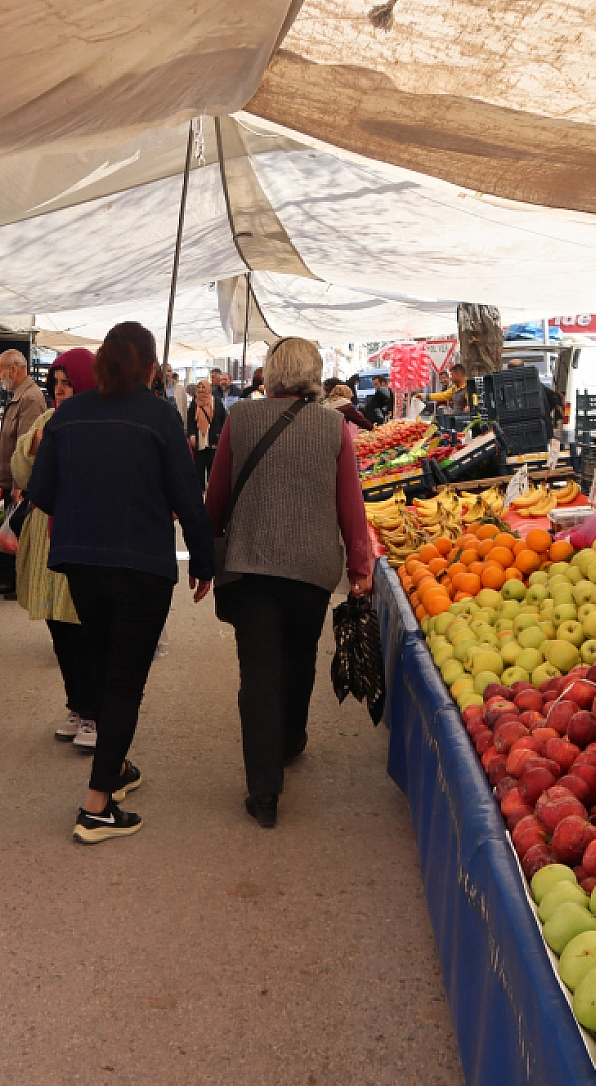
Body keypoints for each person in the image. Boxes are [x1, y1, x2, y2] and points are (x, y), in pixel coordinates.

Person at [29, 322, 216, 844]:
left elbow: (41, 490)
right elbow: (188, 494)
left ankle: (114, 769)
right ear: (151, 367)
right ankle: (95, 807)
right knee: (124, 680)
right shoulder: (159, 416)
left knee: (108, 662)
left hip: (81, 565)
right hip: (141, 567)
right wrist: (203, 559)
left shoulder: (67, 415)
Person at [206, 338, 373, 829]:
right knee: (298, 656)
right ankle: (289, 739)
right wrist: (359, 567)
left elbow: (216, 495)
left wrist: (202, 557)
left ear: (270, 372)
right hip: (312, 569)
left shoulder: (240, 417)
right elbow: (351, 503)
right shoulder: (334, 425)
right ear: (315, 374)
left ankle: (264, 793)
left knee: (258, 672)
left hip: (250, 565)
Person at [10, 349, 100, 749]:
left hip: (84, 536)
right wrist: (34, 449)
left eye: (69, 383)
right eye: (57, 384)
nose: (61, 391)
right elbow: (21, 472)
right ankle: (76, 705)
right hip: (48, 534)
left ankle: (95, 712)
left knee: (84, 628)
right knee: (59, 628)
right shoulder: (47, 421)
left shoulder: (100, 422)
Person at [0, 348, 47, 600]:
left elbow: (26, 445)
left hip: (20, 481)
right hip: (12, 479)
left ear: (14, 369)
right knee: (14, 529)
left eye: (0, 370)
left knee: (20, 531)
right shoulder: (19, 395)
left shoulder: (31, 398)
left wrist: (17, 483)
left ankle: (19, 582)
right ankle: (12, 579)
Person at [184, 378, 227, 489]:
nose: (201, 390)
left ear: (208, 388)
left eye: (203, 387)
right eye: (199, 387)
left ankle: (212, 491)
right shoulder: (194, 403)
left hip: (213, 439)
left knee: (212, 467)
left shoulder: (216, 402)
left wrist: (222, 436)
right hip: (200, 440)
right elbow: (191, 421)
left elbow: (224, 419)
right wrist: (192, 435)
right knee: (199, 467)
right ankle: (200, 491)